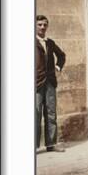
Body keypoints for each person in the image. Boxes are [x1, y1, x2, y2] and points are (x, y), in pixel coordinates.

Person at [35, 15, 66, 152]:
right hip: (36, 83)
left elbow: (61, 55)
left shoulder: (50, 43)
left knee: (51, 113)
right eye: (40, 24)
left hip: (50, 83)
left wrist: (58, 67)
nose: (42, 27)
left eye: (45, 25)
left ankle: (50, 144)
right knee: (35, 114)